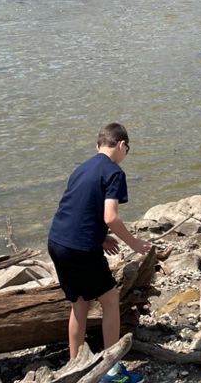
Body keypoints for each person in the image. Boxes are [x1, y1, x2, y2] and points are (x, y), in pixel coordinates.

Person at [47, 123, 152, 383]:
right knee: (110, 299)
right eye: (127, 150)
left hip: (57, 241)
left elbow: (78, 207)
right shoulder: (114, 172)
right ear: (121, 145)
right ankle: (112, 371)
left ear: (97, 146)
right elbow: (110, 216)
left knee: (80, 305)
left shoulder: (81, 168)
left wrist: (101, 236)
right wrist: (134, 243)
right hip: (80, 248)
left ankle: (75, 367)